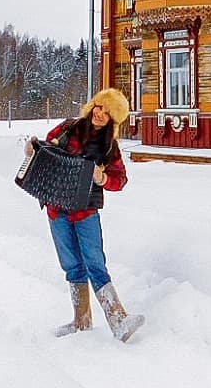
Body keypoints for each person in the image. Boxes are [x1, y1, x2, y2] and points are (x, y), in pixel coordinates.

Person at [31, 87, 145, 342]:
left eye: (108, 112)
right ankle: (81, 320)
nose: (100, 113)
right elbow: (45, 150)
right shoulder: (68, 128)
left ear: (113, 120)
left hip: (85, 212)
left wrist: (102, 177)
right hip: (56, 207)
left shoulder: (109, 147)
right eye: (99, 106)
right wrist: (32, 149)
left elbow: (120, 180)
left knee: (95, 264)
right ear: (92, 105)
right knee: (71, 264)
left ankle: (118, 320)